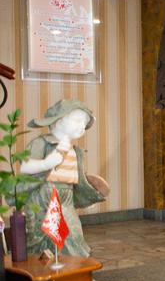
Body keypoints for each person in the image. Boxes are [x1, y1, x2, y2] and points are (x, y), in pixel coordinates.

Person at [20, 100, 108, 257]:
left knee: (72, 234)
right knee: (42, 235)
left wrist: (87, 196)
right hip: (43, 197)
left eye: (84, 124)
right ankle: (42, 267)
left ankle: (71, 267)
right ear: (58, 121)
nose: (82, 126)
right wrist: (46, 163)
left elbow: (77, 179)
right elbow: (25, 167)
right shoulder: (42, 143)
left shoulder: (75, 151)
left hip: (66, 198)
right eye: (78, 121)